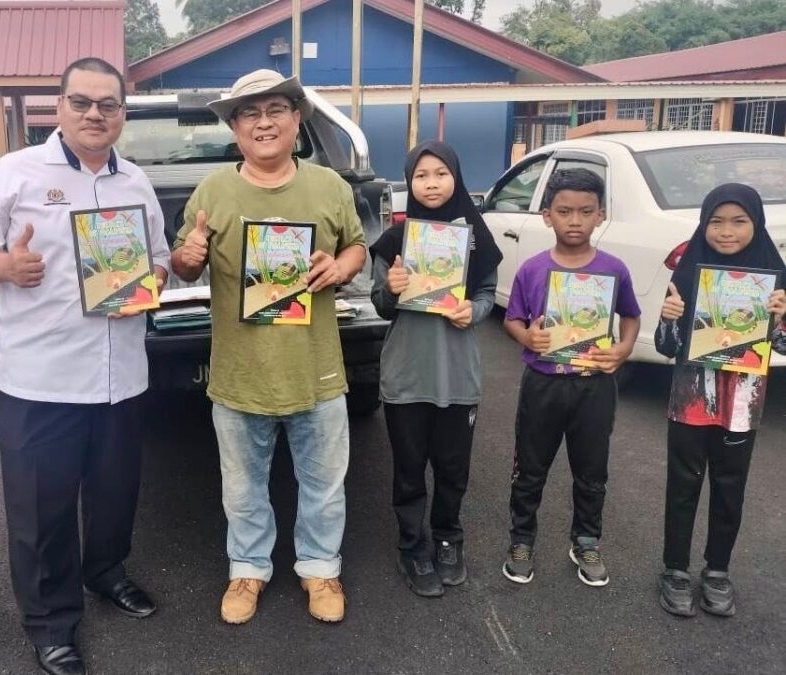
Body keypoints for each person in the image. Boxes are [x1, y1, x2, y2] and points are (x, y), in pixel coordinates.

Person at [0, 57, 169, 675]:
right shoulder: (15, 173)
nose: (95, 114)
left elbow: (157, 257)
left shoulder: (136, 182)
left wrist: (147, 279)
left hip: (120, 374)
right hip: (37, 380)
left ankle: (105, 573)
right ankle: (50, 623)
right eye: (82, 102)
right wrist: (4, 269)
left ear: (123, 112)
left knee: (114, 492)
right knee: (42, 511)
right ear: (59, 107)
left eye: (108, 104)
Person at [171, 69, 366, 625]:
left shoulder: (329, 186)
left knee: (324, 484)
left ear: (297, 119)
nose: (263, 122)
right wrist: (189, 251)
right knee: (242, 486)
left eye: (275, 109)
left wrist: (339, 267)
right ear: (234, 128)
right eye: (249, 113)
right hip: (240, 372)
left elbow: (355, 248)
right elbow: (186, 267)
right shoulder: (213, 191)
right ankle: (248, 570)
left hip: (317, 370)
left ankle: (320, 568)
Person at [369, 141, 502, 597]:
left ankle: (448, 538)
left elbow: (487, 292)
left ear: (457, 177)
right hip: (407, 375)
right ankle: (413, 547)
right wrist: (391, 287)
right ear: (409, 183)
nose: (431, 183)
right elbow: (381, 306)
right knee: (409, 469)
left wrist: (474, 311)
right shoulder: (393, 242)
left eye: (441, 173)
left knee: (453, 468)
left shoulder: (477, 238)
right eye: (421, 175)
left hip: (458, 375)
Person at [500, 168, 640, 588]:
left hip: (595, 386)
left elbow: (631, 316)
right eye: (564, 211)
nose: (574, 220)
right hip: (543, 384)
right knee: (530, 468)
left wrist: (623, 349)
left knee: (591, 471)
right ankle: (521, 540)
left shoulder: (614, 269)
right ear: (547, 216)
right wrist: (528, 335)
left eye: (585, 211)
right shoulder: (532, 269)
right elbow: (512, 319)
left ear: (601, 215)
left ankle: (586, 540)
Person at [655, 184, 786, 618]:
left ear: (757, 224)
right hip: (690, 400)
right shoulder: (689, 271)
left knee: (730, 488)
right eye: (716, 221)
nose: (726, 232)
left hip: (740, 407)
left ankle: (717, 571)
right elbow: (663, 344)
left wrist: (781, 318)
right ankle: (674, 569)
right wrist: (669, 319)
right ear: (703, 223)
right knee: (683, 485)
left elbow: (781, 345)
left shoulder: (774, 276)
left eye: (739, 221)